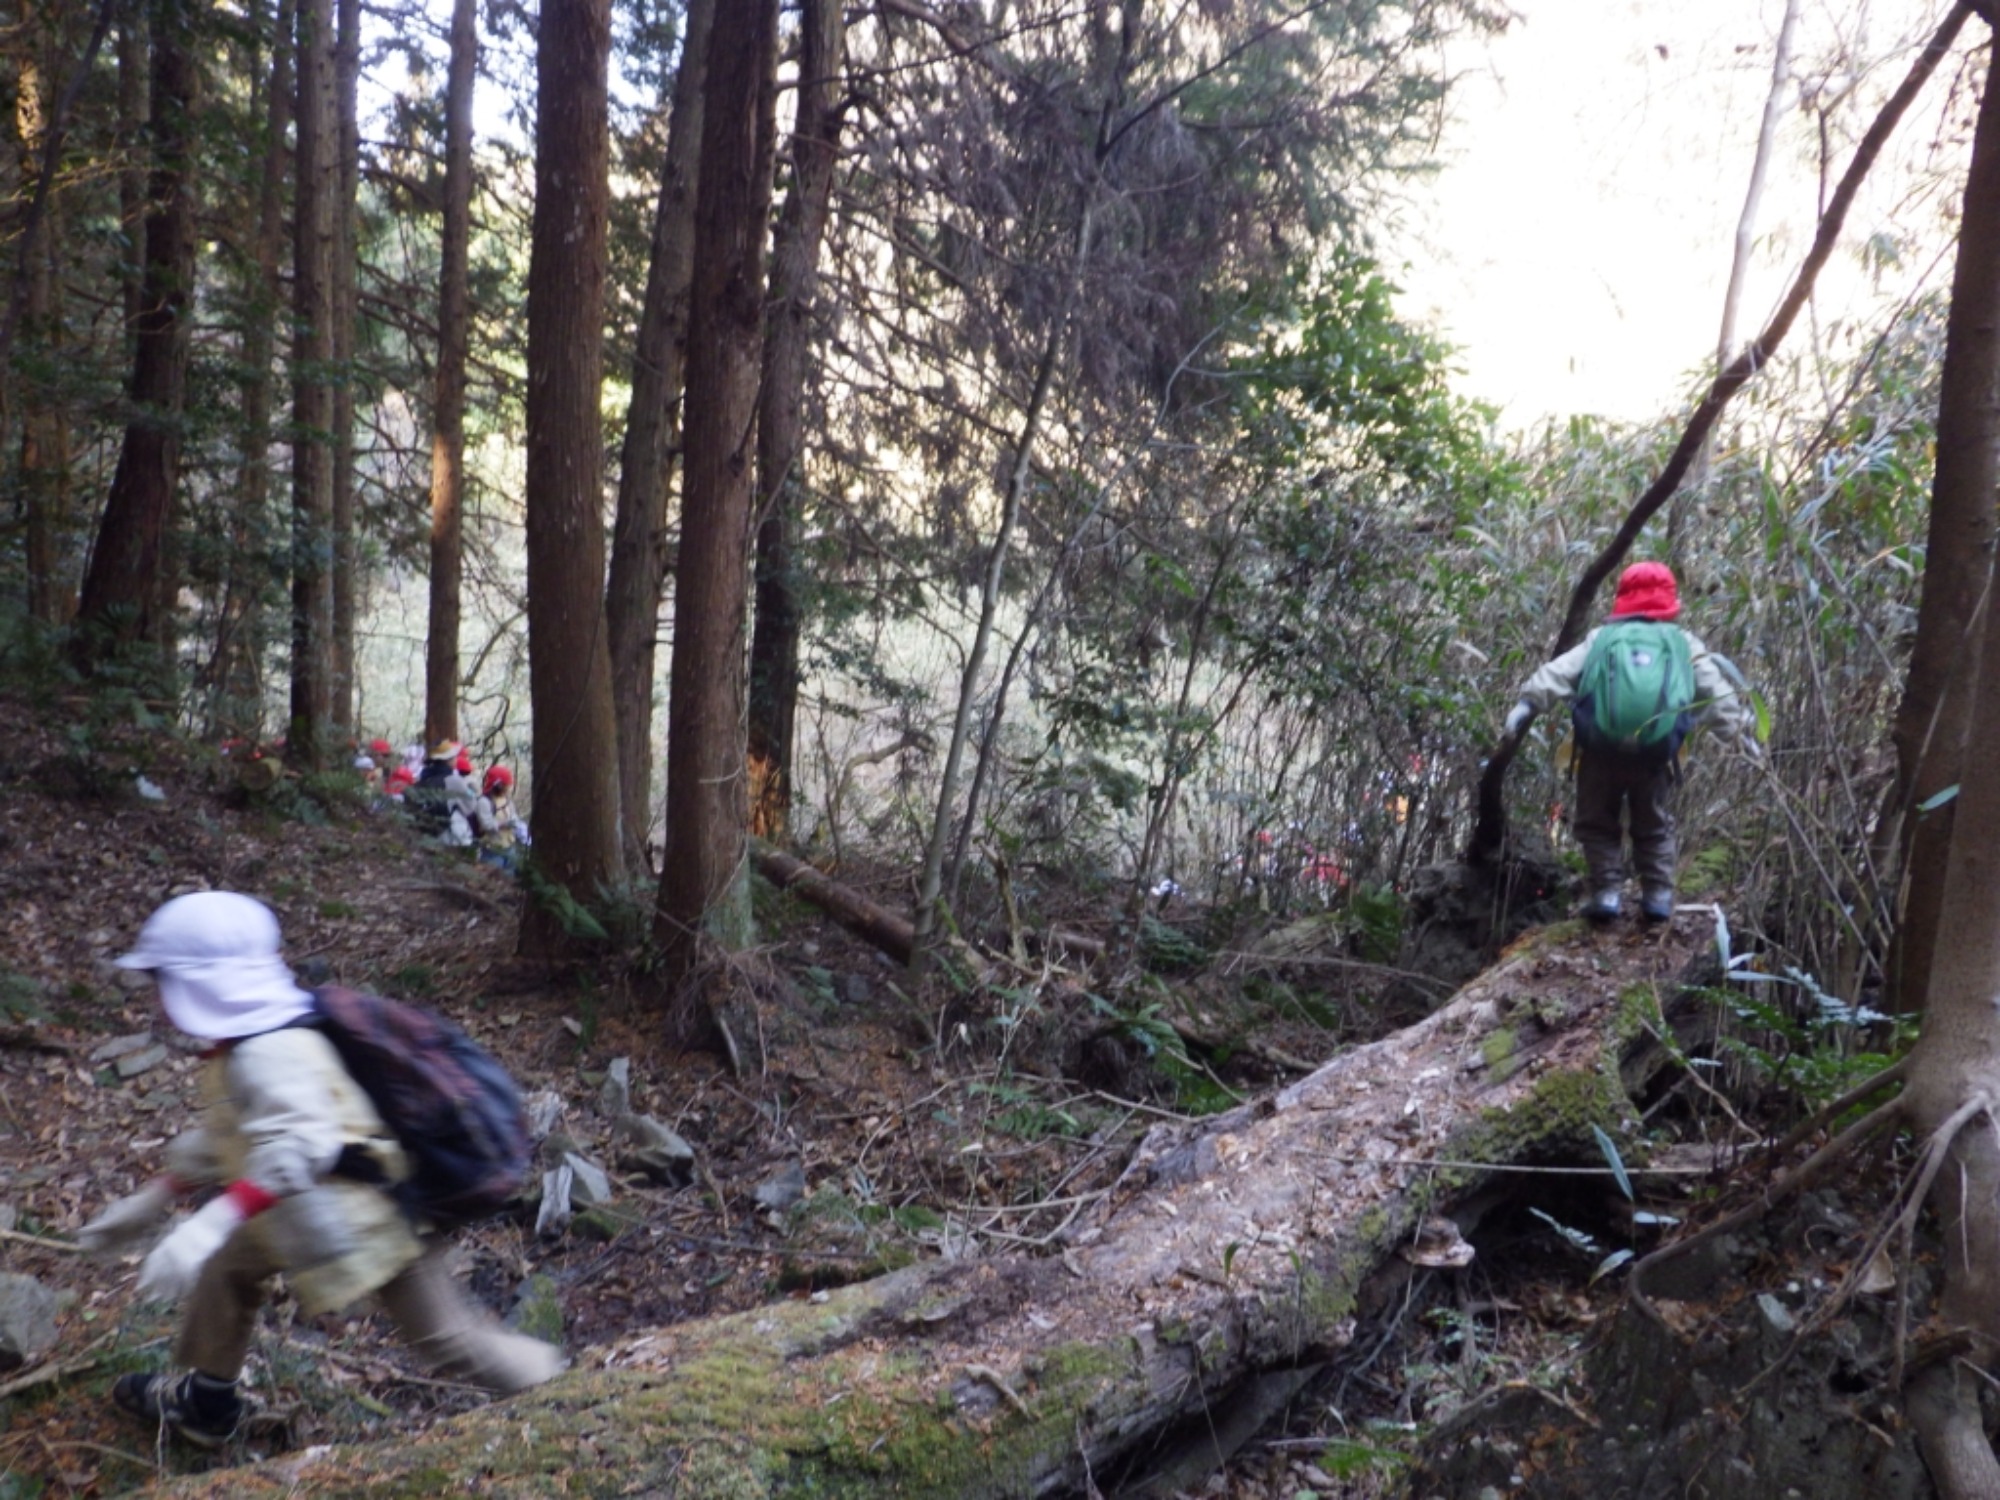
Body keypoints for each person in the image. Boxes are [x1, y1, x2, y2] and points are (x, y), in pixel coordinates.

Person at [78, 891, 562, 1446]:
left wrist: (209, 1222)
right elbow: (235, 1136)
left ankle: (564, 1391)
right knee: (227, 1271)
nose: (159, 998)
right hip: (306, 1210)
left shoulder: (271, 1050)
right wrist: (155, 1199)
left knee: (444, 1336)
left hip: (371, 1222)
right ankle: (207, 1406)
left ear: (201, 983)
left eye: (165, 981)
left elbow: (302, 1143)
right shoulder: (244, 1041)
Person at [1502, 561, 1759, 925]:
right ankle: (1658, 895)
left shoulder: (1603, 639)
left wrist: (1525, 705)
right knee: (1653, 824)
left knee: (1595, 821)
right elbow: (1716, 693)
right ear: (1671, 600)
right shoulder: (1682, 643)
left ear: (1621, 597)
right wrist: (1739, 733)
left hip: (1599, 750)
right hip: (1655, 755)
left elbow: (1559, 673)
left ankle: (1606, 893)